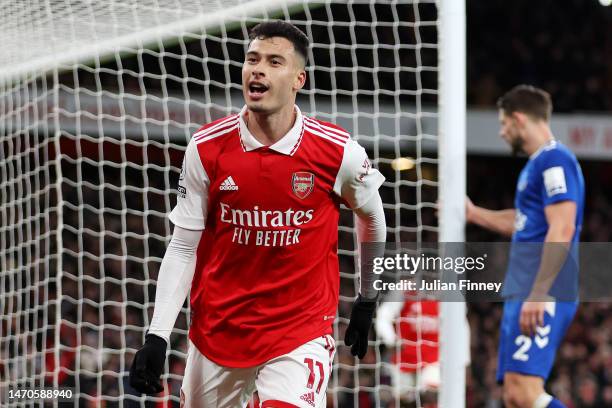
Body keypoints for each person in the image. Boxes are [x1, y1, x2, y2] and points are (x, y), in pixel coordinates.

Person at [128, 20, 386, 407]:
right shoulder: (207, 148)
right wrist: (157, 334)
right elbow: (184, 246)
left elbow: (373, 219)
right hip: (218, 332)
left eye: (274, 61)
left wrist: (367, 297)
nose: (258, 69)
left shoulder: (339, 153)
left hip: (298, 333)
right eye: (252, 59)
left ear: (299, 78)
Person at [466, 85, 584, 408]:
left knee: (524, 392)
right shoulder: (536, 166)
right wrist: (475, 214)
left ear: (519, 119)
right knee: (514, 397)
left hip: (544, 287)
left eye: (504, 124)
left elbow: (563, 225)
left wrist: (539, 292)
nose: (502, 133)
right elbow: (523, 221)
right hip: (526, 287)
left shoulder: (555, 160)